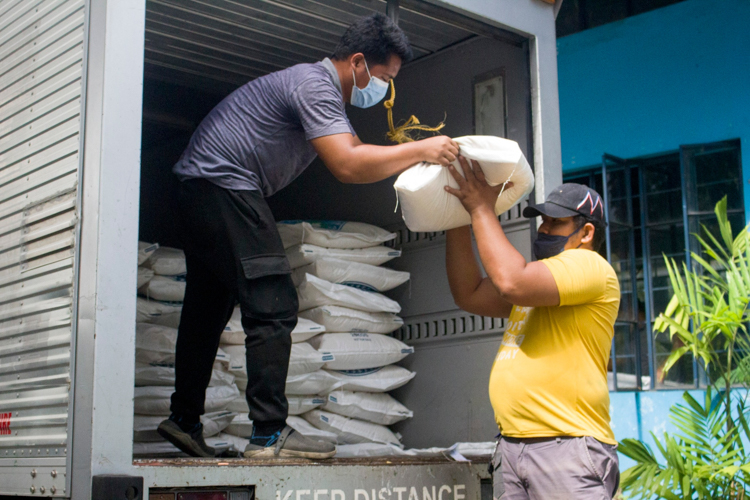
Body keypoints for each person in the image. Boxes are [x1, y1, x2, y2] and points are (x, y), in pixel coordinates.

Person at [156, 13, 459, 459]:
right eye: (384, 77)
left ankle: (184, 420)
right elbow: (348, 164)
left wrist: (412, 157)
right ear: (358, 63)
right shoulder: (315, 85)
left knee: (207, 311)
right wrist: (422, 148)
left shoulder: (321, 94)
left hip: (201, 190)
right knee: (273, 302)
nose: (386, 90)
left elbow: (357, 156)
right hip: (223, 185)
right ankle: (269, 435)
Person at [444, 157, 621, 499]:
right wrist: (457, 219)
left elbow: (511, 281)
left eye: (556, 223)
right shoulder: (542, 282)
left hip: (567, 449)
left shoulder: (591, 268)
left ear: (586, 233)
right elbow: (469, 294)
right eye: (544, 221)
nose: (543, 229)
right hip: (512, 448)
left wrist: (481, 209)